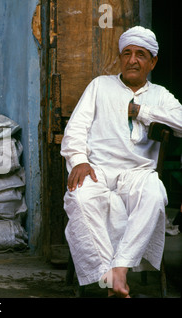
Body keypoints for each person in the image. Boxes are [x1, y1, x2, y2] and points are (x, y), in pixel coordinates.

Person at [60, 26, 182, 298]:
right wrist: (79, 159)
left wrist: (143, 111)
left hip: (138, 173)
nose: (132, 60)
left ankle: (120, 268)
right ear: (120, 58)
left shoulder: (160, 95)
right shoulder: (100, 85)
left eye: (140, 54)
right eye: (126, 53)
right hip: (98, 170)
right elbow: (76, 128)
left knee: (154, 194)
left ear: (153, 62)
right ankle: (109, 274)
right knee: (79, 199)